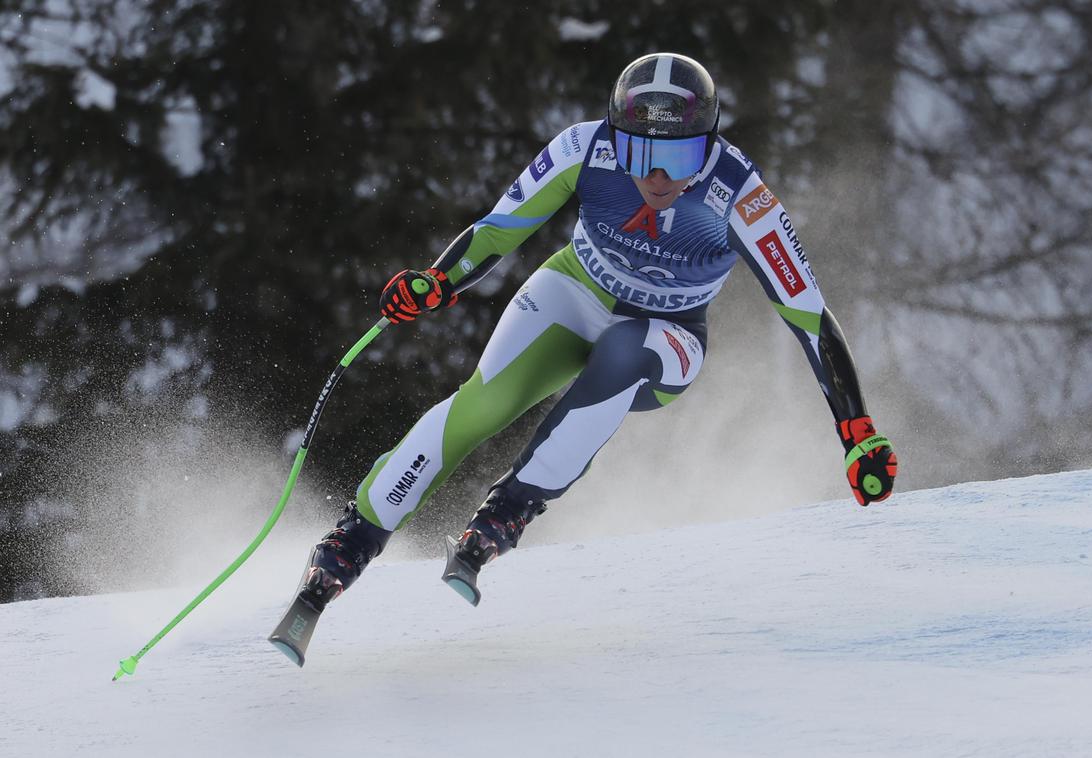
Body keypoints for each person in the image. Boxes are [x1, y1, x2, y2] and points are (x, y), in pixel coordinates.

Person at [298, 52, 898, 609]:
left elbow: (807, 313)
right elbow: (499, 228)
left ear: (708, 149)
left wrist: (856, 428)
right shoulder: (584, 148)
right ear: (618, 141)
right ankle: (354, 537)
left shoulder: (740, 196)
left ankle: (509, 510)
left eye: (681, 160)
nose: (659, 179)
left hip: (669, 333)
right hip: (574, 290)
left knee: (621, 351)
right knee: (483, 403)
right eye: (641, 156)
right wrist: (436, 281)